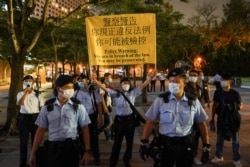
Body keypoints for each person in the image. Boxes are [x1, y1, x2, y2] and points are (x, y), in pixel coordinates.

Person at [139, 68, 210, 167]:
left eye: (176, 82)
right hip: (165, 146)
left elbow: (201, 124)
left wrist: (206, 146)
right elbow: (150, 121)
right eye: (171, 81)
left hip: (186, 146)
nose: (173, 84)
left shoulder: (193, 101)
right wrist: (144, 142)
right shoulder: (161, 100)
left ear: (184, 83)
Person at [92, 71, 155, 167]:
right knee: (117, 144)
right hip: (119, 122)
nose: (126, 85)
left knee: (129, 144)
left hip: (130, 122)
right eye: (124, 83)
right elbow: (103, 88)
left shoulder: (133, 93)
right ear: (121, 85)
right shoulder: (115, 93)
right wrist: (94, 80)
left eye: (127, 83)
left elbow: (143, 85)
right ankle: (113, 162)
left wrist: (150, 78)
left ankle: (127, 161)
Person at [29, 75, 91, 167]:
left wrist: (87, 151)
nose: (71, 90)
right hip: (53, 149)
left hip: (71, 149)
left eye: (72, 87)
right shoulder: (47, 107)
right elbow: (40, 131)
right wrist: (33, 153)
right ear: (58, 88)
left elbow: (85, 129)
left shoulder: (78, 106)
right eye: (67, 87)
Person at [210, 74, 243, 167]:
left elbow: (241, 104)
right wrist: (212, 118)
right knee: (220, 138)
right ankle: (218, 155)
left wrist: (235, 106)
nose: (222, 82)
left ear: (229, 81)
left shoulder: (235, 93)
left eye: (224, 80)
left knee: (235, 140)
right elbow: (214, 105)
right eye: (221, 80)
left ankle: (236, 159)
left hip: (233, 119)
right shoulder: (218, 92)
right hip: (221, 118)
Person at [74, 75, 103, 165]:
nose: (82, 82)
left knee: (93, 139)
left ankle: (96, 157)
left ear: (87, 81)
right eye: (80, 81)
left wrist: (100, 117)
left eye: (83, 81)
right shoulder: (75, 93)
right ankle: (83, 157)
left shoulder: (92, 92)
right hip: (80, 118)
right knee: (81, 139)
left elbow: (99, 104)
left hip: (91, 117)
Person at [17, 75, 44, 167]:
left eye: (30, 81)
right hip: (23, 119)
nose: (28, 82)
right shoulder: (20, 93)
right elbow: (19, 103)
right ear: (24, 82)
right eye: (26, 80)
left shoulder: (38, 94)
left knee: (35, 142)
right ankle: (23, 163)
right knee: (23, 143)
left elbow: (42, 107)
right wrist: (25, 93)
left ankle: (35, 162)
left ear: (33, 83)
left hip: (35, 119)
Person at [184, 69, 210, 165]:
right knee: (189, 137)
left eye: (195, 75)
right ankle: (189, 155)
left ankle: (194, 155)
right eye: (191, 75)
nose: (193, 76)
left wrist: (205, 104)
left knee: (198, 135)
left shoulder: (199, 88)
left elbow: (202, 99)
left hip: (198, 115)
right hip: (189, 115)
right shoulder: (185, 88)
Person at [98, 73, 114, 141]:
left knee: (107, 122)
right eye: (107, 78)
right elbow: (101, 96)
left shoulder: (108, 86)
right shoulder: (102, 85)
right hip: (105, 106)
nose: (109, 79)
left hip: (108, 105)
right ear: (104, 78)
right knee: (109, 122)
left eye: (110, 77)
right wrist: (104, 107)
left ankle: (108, 137)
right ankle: (97, 133)